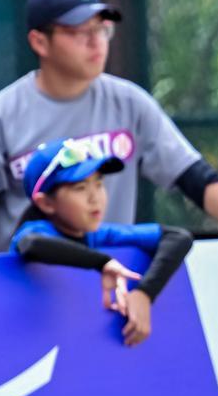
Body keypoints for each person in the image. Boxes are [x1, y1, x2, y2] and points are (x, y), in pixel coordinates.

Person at [0, 0, 218, 253]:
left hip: (111, 274)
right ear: (40, 42)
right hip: (28, 283)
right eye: (80, 31)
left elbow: (193, 176)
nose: (96, 42)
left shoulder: (130, 103)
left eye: (102, 29)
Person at [11, 138, 192, 347]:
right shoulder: (35, 232)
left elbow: (178, 237)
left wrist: (144, 293)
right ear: (46, 203)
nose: (95, 198)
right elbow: (31, 244)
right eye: (80, 188)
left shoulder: (97, 233)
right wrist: (103, 262)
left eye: (99, 184)